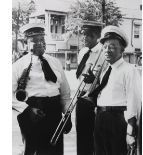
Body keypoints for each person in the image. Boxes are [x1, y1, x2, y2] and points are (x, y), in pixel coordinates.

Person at [12, 23, 72, 155]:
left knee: (55, 151)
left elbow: (65, 94)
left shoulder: (55, 62)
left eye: (42, 40)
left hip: (54, 113)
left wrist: (67, 115)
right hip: (31, 114)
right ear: (26, 43)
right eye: (35, 41)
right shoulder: (17, 66)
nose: (40, 44)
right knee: (33, 151)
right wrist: (27, 110)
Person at [89, 25, 142, 155]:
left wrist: (130, 130)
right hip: (101, 118)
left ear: (122, 49)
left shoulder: (129, 70)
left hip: (118, 120)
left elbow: (133, 100)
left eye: (112, 47)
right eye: (105, 47)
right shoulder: (106, 69)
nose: (107, 50)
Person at [75, 21, 105, 155]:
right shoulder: (82, 52)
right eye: (83, 35)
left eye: (88, 35)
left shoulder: (103, 52)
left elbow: (106, 78)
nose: (84, 38)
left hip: (95, 96)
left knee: (94, 135)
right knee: (81, 133)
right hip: (81, 96)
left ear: (96, 36)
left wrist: (95, 80)